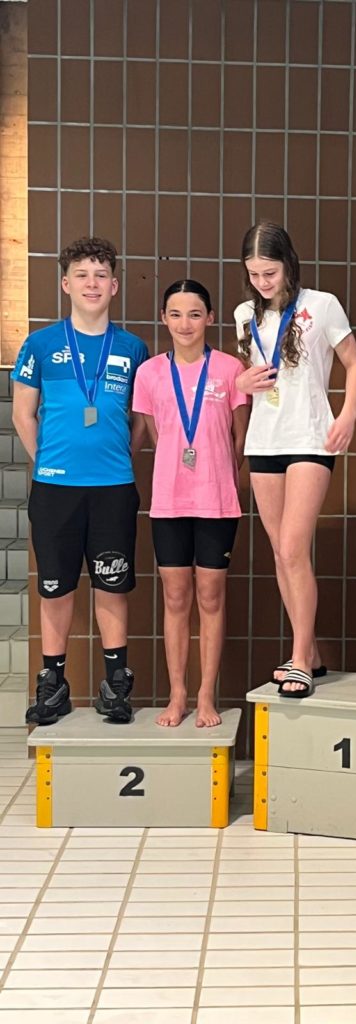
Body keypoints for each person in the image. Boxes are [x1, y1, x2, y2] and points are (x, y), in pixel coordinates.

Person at [12, 237, 148, 725]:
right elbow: (23, 413)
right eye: (82, 275)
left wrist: (119, 459)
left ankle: (115, 684)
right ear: (65, 284)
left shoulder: (133, 348)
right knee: (55, 587)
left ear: (114, 286)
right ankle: (53, 684)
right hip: (55, 490)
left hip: (113, 488)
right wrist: (47, 463)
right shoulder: (41, 344)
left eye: (101, 275)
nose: (92, 284)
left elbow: (141, 420)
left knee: (112, 584)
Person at [234, 221, 356, 698]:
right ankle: (310, 653)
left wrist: (348, 414)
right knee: (280, 553)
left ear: (288, 264)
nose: (262, 282)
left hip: (310, 437)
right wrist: (241, 383)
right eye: (254, 274)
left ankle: (300, 658)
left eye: (269, 272)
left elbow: (355, 363)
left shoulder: (321, 304)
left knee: (293, 548)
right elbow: (248, 377)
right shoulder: (244, 314)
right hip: (264, 440)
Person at [132, 280, 249, 727]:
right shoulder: (149, 374)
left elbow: (239, 438)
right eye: (176, 314)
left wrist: (214, 473)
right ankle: (177, 694)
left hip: (217, 501)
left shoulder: (230, 369)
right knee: (176, 597)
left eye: (195, 314)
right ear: (164, 318)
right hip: (169, 501)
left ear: (210, 318)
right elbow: (156, 435)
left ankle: (205, 696)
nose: (185, 324)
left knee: (211, 597)